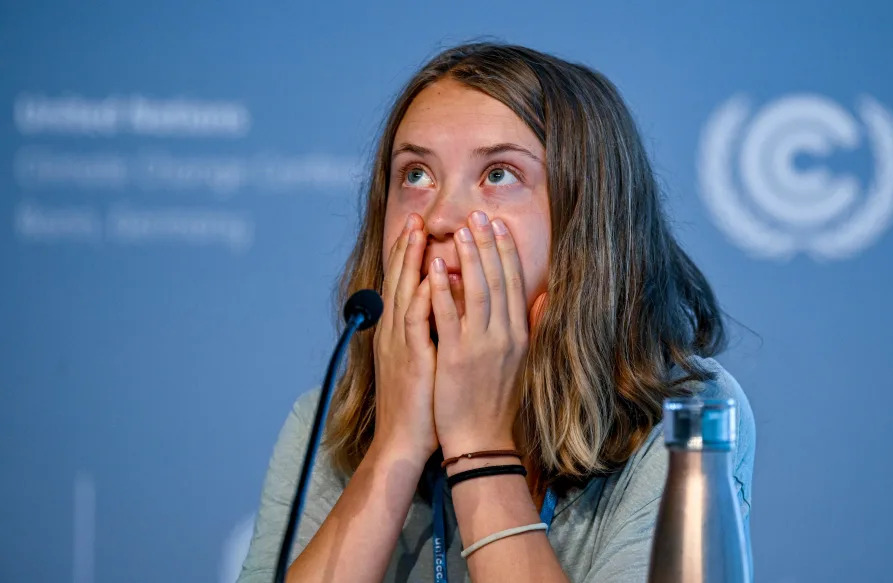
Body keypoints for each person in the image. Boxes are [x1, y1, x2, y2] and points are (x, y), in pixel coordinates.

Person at [238, 42, 755, 583]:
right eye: (415, 175)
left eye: (499, 174)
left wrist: (479, 449)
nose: (441, 215)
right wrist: (394, 447)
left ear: (588, 219)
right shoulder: (328, 421)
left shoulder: (688, 416)